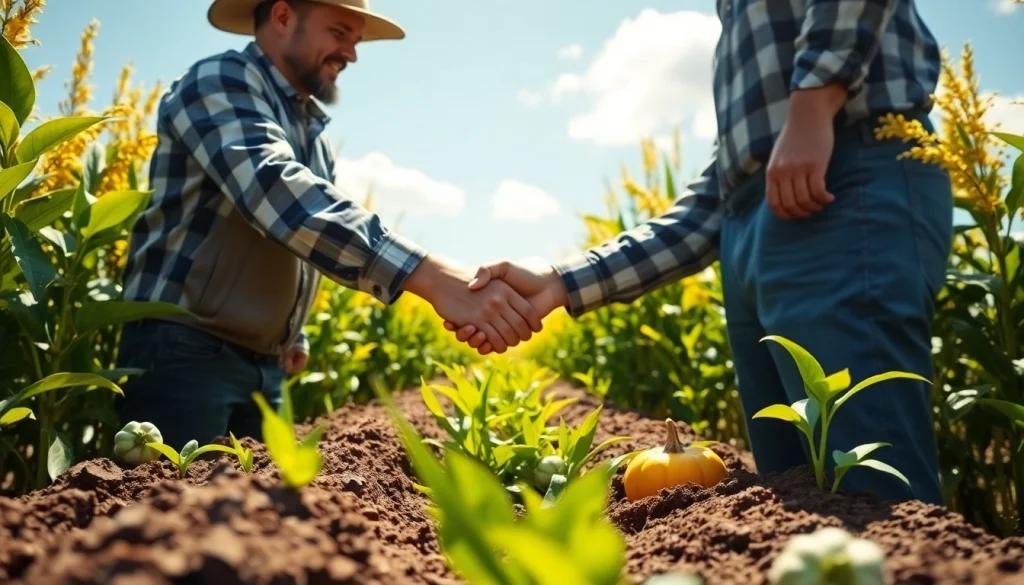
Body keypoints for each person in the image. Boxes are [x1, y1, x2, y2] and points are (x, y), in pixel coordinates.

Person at [448, 0, 951, 506]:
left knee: (871, 486)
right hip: (750, 217)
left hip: (841, 178)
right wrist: (562, 281)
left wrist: (814, 104)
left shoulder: (801, 95)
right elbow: (710, 207)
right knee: (797, 490)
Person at [114, 0, 541, 451]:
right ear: (282, 16)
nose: (351, 54)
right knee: (170, 512)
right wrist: (435, 278)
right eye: (339, 33)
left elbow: (302, 244)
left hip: (265, 366)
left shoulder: (312, 137)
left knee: (252, 514)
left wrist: (291, 331)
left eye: (354, 42)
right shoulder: (217, 81)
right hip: (184, 354)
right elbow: (276, 192)